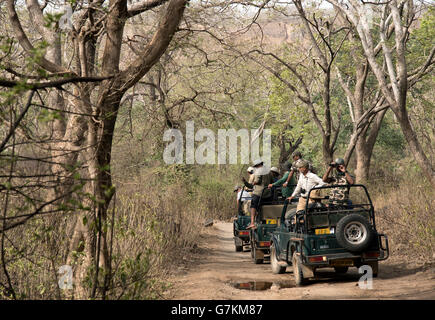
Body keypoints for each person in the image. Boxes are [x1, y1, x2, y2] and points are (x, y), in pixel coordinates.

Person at [242, 159, 272, 229]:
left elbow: (257, 181)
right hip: (267, 193)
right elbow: (272, 181)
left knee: (253, 206)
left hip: (258, 193)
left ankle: (252, 223)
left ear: (258, 165)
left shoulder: (259, 170)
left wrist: (253, 182)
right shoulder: (269, 171)